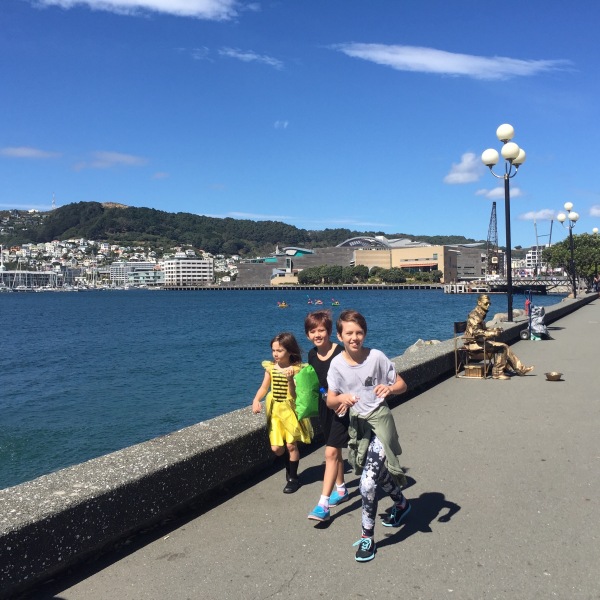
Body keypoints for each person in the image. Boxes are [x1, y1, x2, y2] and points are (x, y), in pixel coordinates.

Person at [326, 309, 411, 563]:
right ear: (340, 336)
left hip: (380, 422)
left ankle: (367, 538)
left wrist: (390, 387)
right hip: (358, 427)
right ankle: (402, 504)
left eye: (359, 332)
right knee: (373, 472)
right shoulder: (337, 365)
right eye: (349, 333)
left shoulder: (376, 357)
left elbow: (402, 385)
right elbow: (330, 399)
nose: (355, 338)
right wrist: (341, 398)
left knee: (367, 482)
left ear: (365, 334)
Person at [251, 332, 313, 493]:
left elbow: (294, 395)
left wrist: (290, 380)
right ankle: (289, 465)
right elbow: (265, 387)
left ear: (290, 351)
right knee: (277, 448)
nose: (275, 354)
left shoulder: (297, 369)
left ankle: (293, 478)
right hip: (275, 411)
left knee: (291, 445)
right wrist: (256, 399)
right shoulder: (270, 368)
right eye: (273, 350)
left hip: (290, 410)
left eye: (279, 350)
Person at [304, 310, 348, 522]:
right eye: (313, 331)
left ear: (330, 332)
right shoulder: (312, 354)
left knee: (330, 453)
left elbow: (350, 378)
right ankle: (341, 489)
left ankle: (323, 504)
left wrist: (343, 402)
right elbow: (313, 383)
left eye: (321, 330)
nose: (317, 334)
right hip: (324, 407)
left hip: (342, 406)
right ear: (307, 335)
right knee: (334, 449)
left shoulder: (340, 352)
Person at [465, 294, 534, 380]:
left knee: (504, 346)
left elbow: (483, 329)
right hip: (472, 344)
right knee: (502, 347)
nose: (488, 305)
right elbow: (476, 332)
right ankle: (497, 372)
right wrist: (492, 333)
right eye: (486, 303)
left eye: (489, 303)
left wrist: (494, 329)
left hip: (479, 342)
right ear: (479, 303)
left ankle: (520, 369)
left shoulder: (479, 314)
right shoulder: (474, 315)